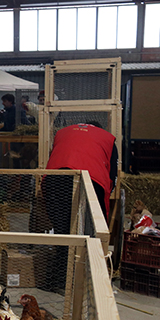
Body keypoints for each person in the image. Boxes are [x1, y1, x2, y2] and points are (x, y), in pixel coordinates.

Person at [43, 122, 118, 292]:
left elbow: (55, 156)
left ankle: (58, 281)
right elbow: (112, 174)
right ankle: (86, 280)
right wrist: (106, 194)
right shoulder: (107, 139)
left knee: (63, 231)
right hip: (91, 180)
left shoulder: (63, 132)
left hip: (57, 177)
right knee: (89, 232)